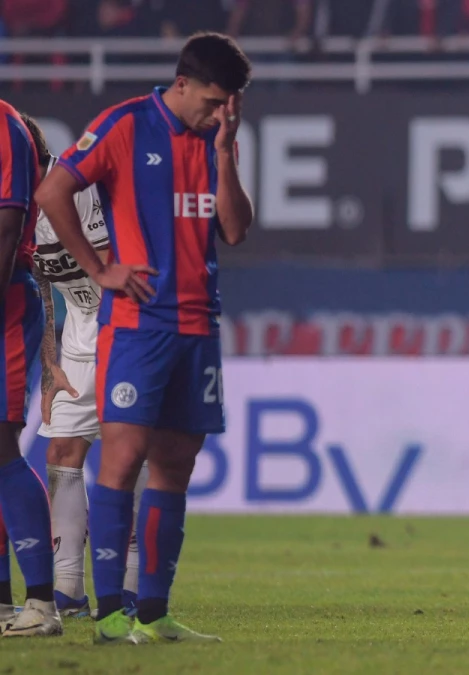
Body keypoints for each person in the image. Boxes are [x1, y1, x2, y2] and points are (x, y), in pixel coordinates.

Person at [35, 31, 253, 645]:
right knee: (123, 461)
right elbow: (54, 192)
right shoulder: (126, 125)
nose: (220, 113)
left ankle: (154, 614)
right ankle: (109, 617)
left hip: (198, 324)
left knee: (176, 468)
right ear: (182, 83)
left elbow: (234, 230)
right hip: (138, 325)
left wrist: (229, 149)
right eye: (213, 101)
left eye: (229, 105)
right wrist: (99, 269)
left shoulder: (216, 139)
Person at [23, 113, 149, 621]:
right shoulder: (18, 202)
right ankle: (69, 587)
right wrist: (50, 363)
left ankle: (130, 586)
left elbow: (107, 255)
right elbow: (44, 285)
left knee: (126, 451)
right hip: (79, 326)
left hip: (122, 322)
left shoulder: (72, 186)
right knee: (64, 448)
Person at [0, 101, 60, 639]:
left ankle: (42, 602)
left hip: (6, 310)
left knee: (1, 446)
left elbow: (7, 230)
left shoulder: (5, 127)